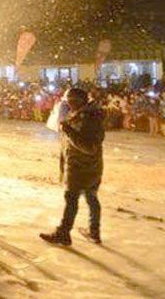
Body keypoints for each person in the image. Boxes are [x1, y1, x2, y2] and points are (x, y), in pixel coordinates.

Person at [40, 87, 105, 246]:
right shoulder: (83, 114)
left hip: (80, 167)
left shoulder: (87, 118)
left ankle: (63, 233)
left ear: (80, 101)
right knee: (91, 197)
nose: (68, 104)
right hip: (89, 166)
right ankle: (94, 232)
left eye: (71, 100)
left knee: (72, 199)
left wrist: (68, 130)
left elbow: (89, 147)